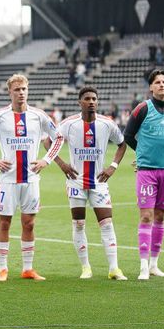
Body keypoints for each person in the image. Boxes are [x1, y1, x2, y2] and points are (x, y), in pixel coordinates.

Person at [0, 73, 61, 282]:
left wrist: (46, 160)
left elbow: (58, 137)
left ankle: (28, 269)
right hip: (8, 179)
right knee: (5, 223)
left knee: (29, 223)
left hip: (32, 179)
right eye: (17, 90)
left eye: (24, 89)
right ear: (10, 92)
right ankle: (3, 269)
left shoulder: (39, 115)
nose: (21, 93)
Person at [53, 86, 129, 280]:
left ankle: (114, 268)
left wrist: (112, 166)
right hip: (75, 181)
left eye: (94, 99)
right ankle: (86, 267)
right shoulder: (69, 124)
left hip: (99, 182)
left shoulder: (107, 124)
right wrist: (62, 164)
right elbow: (49, 141)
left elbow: (122, 143)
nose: (92, 102)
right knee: (79, 224)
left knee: (107, 224)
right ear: (80, 102)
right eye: (87, 98)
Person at [122, 69, 164, 281]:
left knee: (160, 216)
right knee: (146, 216)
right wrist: (143, 154)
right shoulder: (142, 108)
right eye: (157, 82)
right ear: (151, 87)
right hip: (147, 171)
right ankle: (143, 266)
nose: (161, 85)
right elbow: (128, 136)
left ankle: (154, 264)